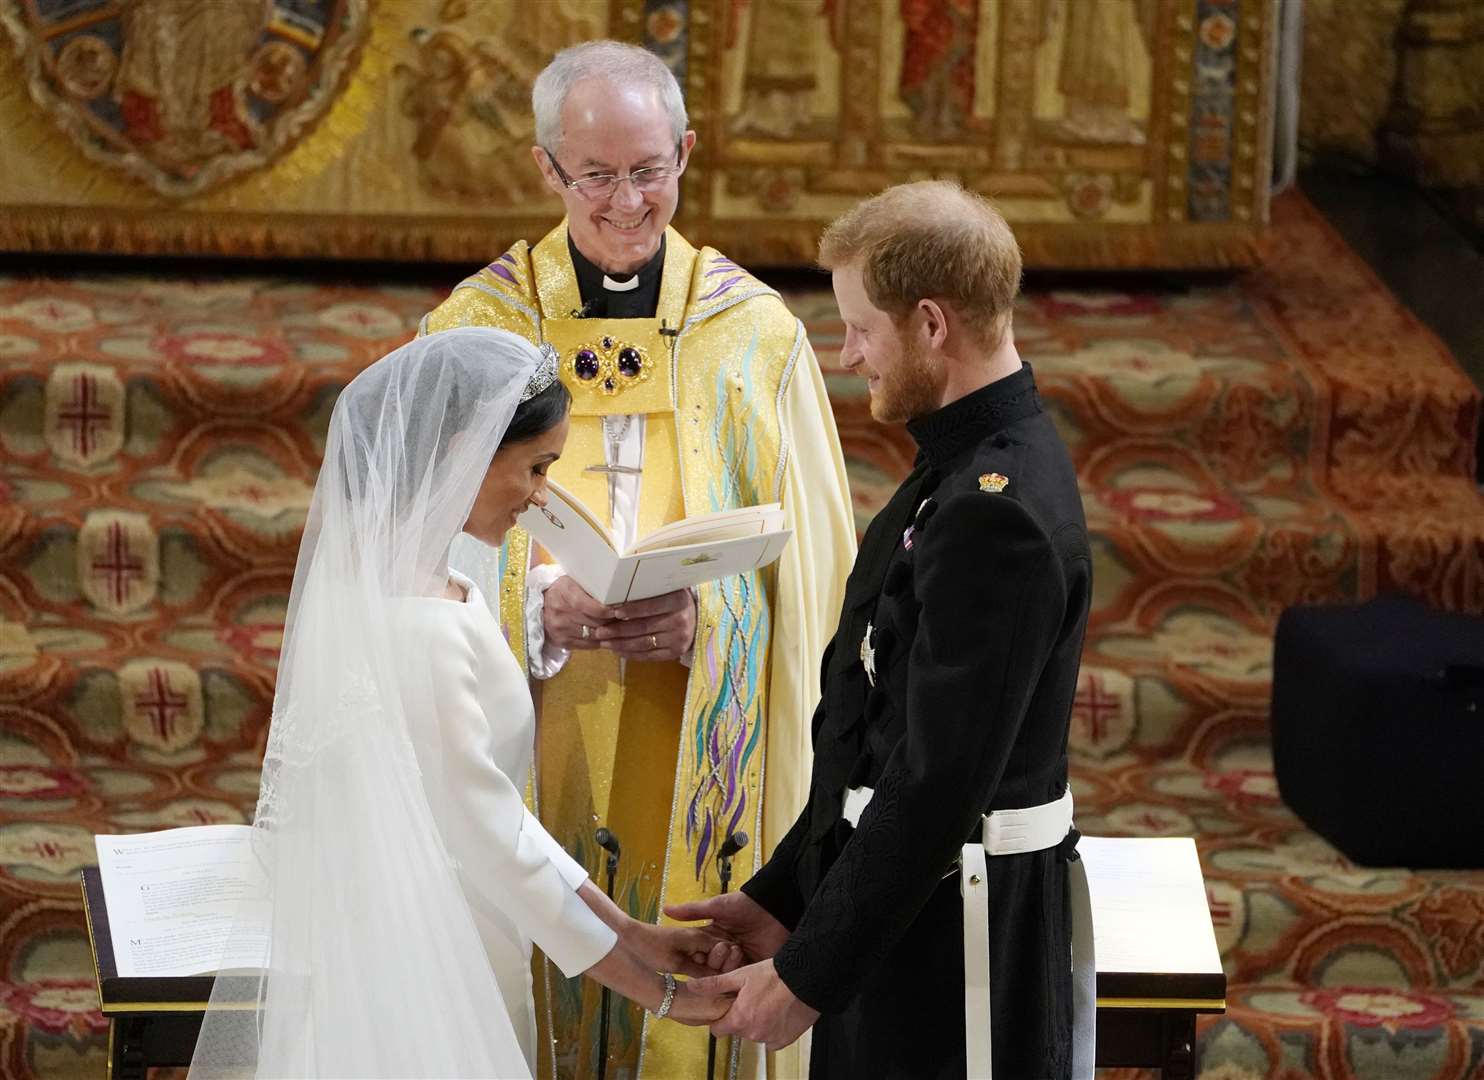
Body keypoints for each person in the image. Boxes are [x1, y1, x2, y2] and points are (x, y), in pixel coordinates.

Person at [420, 39, 856, 1078]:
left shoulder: (753, 336)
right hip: (529, 721)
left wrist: (717, 624)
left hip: (697, 733)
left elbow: (824, 586)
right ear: (546, 171)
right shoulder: (473, 332)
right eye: (598, 174)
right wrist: (534, 611)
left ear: (686, 154)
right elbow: (407, 558)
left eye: (649, 169)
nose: (627, 201)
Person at [188, 328, 727, 1079]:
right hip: (424, 969)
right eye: (536, 469)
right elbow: (495, 845)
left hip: (454, 935)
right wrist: (661, 996)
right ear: (460, 458)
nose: (544, 497)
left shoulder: (429, 582)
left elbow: (498, 813)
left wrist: (635, 932)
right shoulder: (418, 625)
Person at [671, 181, 1096, 1079]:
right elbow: (874, 737)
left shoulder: (995, 513)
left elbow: (937, 785)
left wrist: (809, 975)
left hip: (957, 940)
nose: (849, 352)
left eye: (862, 325)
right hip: (908, 913)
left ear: (932, 325)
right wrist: (786, 897)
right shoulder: (960, 463)